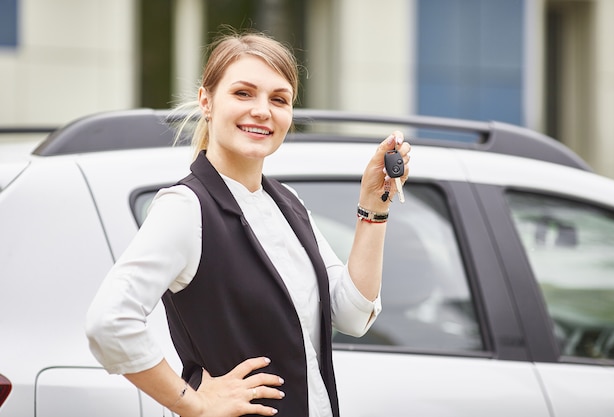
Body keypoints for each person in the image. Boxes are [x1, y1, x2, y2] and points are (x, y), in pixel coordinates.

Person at [85, 30, 410, 417]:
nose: (262, 110)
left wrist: (373, 208)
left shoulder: (287, 203)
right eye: (243, 93)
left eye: (279, 99)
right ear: (207, 100)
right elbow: (109, 323)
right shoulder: (186, 207)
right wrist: (194, 406)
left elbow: (352, 315)